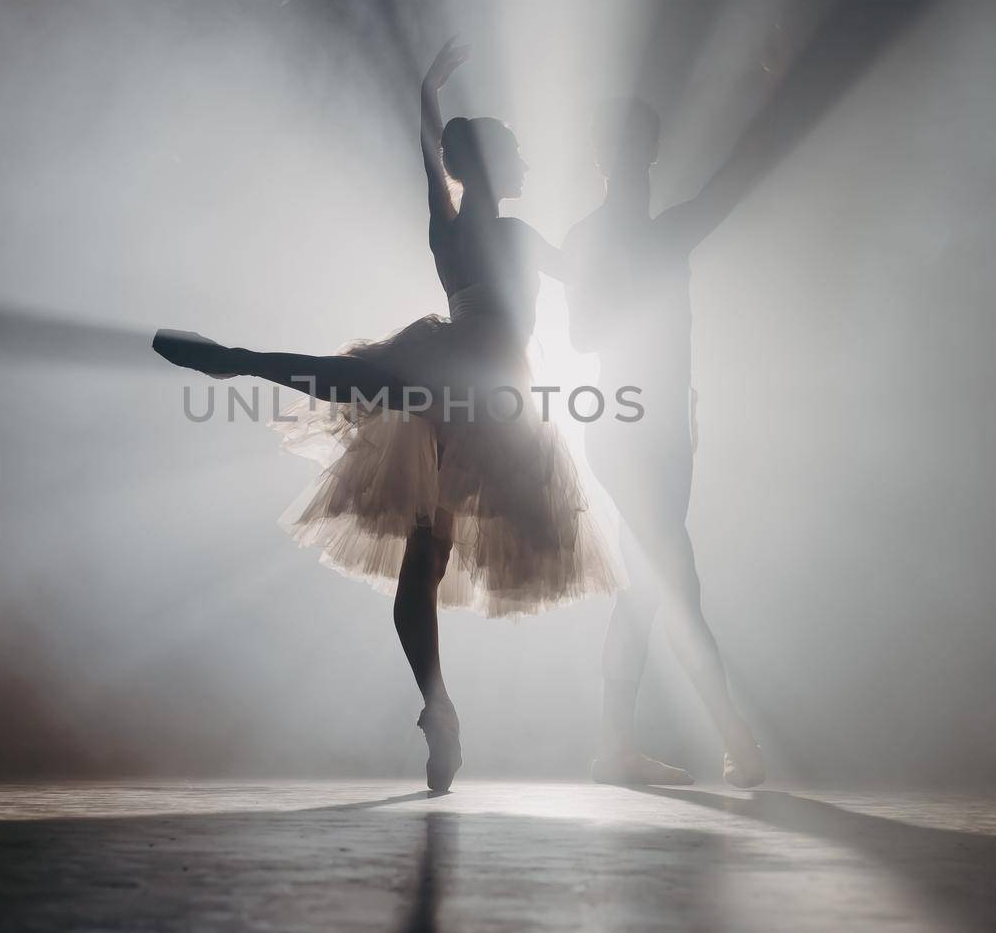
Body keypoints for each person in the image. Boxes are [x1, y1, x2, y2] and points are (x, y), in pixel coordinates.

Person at [153, 40, 617, 792]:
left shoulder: (464, 229)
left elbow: (444, 169)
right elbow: (589, 273)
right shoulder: (492, 231)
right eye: (518, 152)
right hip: (488, 379)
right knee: (388, 429)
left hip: (479, 378)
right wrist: (429, 95)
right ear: (493, 165)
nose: (528, 161)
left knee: (422, 540)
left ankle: (438, 706)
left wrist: (429, 90)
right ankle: (241, 358)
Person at [562, 98, 765, 789]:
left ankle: (614, 746)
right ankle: (733, 735)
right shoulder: (601, 238)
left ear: (647, 154)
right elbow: (581, 336)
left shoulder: (667, 230)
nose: (628, 158)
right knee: (673, 577)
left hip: (667, 427)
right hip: (624, 424)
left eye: (637, 145)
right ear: (608, 157)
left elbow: (737, 179)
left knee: (649, 586)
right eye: (621, 145)